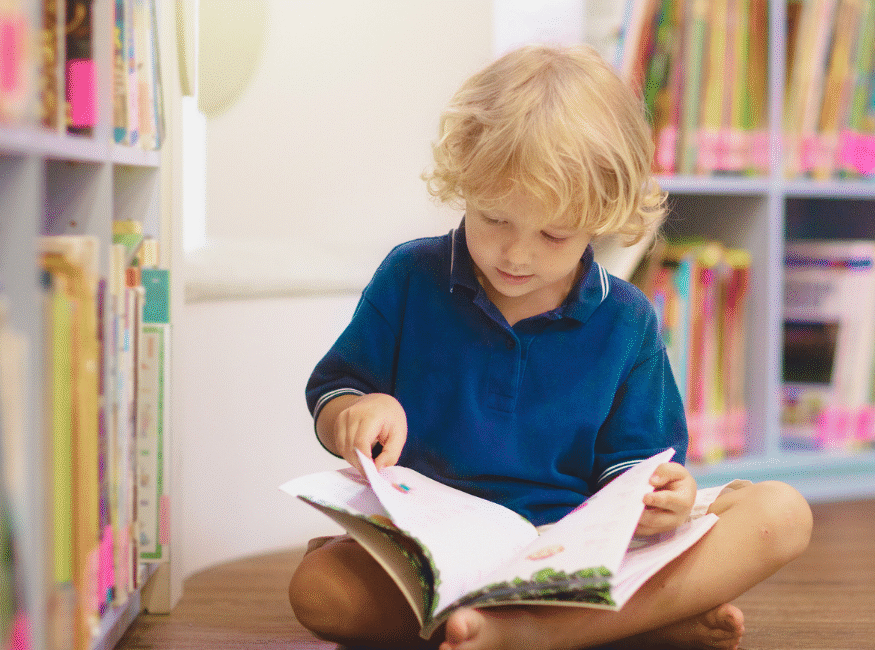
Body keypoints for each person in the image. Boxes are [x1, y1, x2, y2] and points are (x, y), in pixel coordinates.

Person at [288, 44, 812, 650]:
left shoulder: (627, 320)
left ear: (602, 216)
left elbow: (638, 469)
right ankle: (628, 626)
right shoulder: (410, 277)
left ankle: (530, 630)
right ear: (464, 182)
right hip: (435, 553)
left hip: (577, 555)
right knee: (320, 590)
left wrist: (665, 497)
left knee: (780, 514)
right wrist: (353, 413)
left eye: (553, 234)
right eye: (493, 219)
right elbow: (334, 390)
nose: (516, 254)